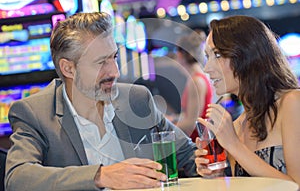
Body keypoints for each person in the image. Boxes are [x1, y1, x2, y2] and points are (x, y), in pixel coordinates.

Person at [5, 12, 198, 191]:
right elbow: (17, 178)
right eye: (101, 62)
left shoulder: (138, 99)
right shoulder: (34, 112)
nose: (115, 72)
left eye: (113, 57)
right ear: (68, 69)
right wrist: (100, 175)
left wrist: (205, 162)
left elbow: (188, 155)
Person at [195, 15, 300, 186]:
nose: (207, 68)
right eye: (208, 57)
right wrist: (217, 176)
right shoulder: (237, 125)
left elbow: (297, 186)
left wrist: (234, 145)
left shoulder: (292, 103)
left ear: (247, 54)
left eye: (217, 55)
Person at [173, 31, 213, 142]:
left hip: (197, 143)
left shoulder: (196, 81)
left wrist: (165, 126)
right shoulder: (198, 77)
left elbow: (192, 122)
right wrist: (173, 119)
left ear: (180, 55)